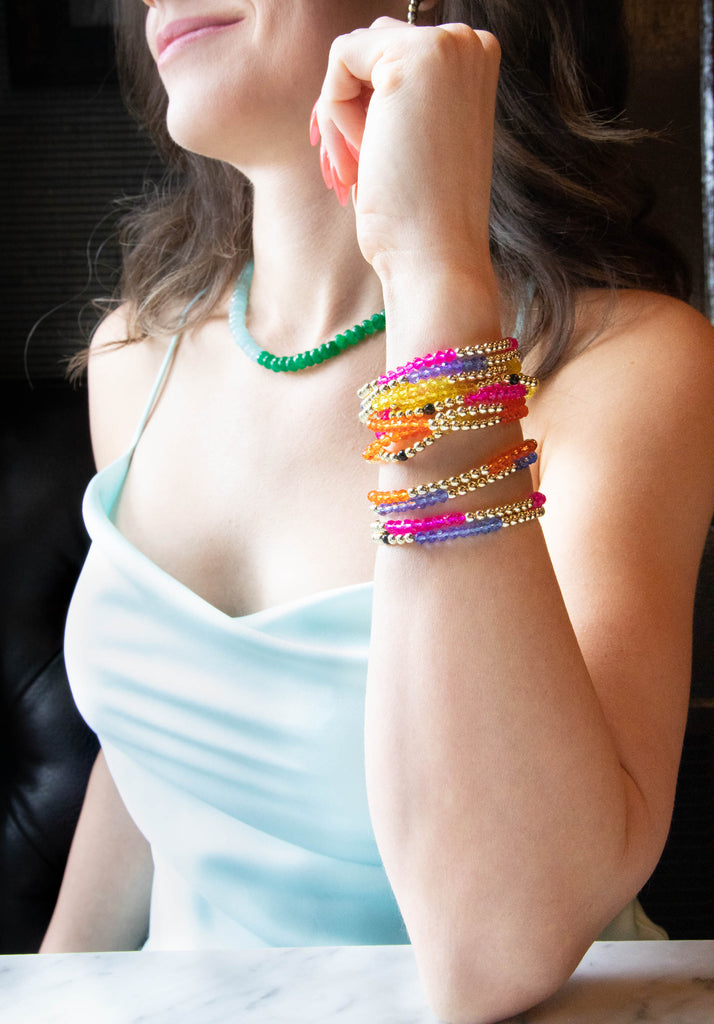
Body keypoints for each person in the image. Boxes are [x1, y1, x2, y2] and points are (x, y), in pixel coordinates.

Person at [41, 0, 714, 1021]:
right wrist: (42, 983)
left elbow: (499, 950)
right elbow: (152, 767)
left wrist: (434, 270)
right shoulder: (137, 358)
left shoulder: (628, 367)